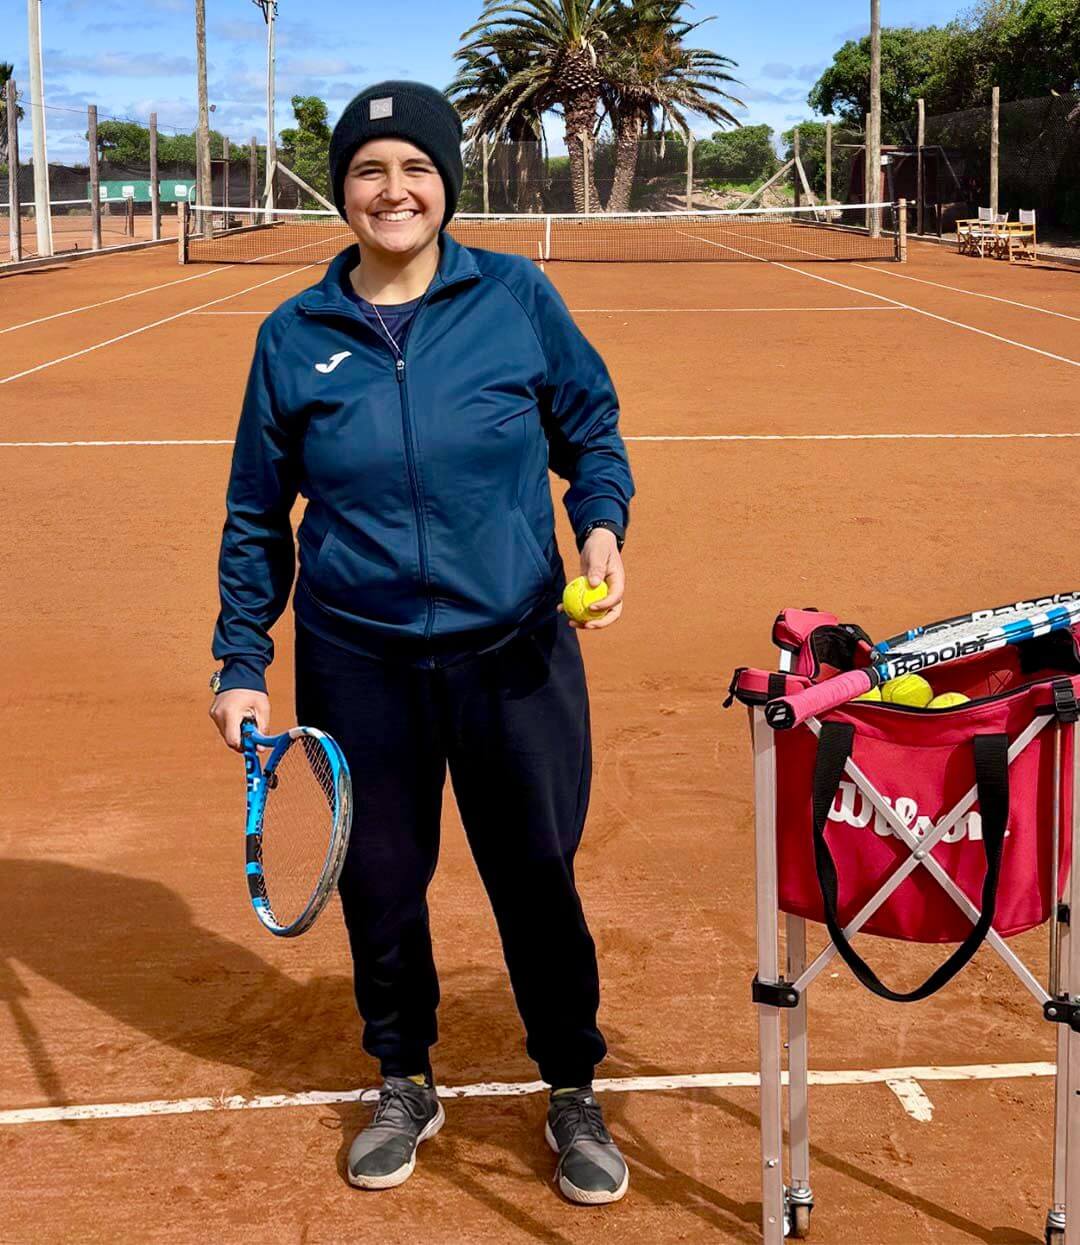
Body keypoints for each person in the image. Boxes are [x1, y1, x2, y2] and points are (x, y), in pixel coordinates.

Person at [209, 81, 635, 1204]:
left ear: (446, 183)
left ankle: (571, 1089)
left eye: (413, 169)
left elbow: (592, 428)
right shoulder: (293, 336)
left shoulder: (515, 297)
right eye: (368, 170)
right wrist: (242, 661)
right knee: (382, 883)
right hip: (360, 658)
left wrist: (599, 528)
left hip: (517, 653)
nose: (392, 191)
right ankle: (404, 1075)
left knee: (535, 878)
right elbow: (258, 512)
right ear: (343, 190)